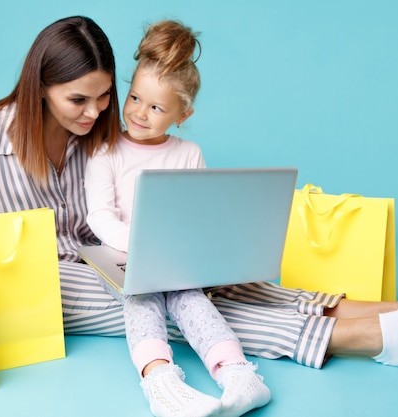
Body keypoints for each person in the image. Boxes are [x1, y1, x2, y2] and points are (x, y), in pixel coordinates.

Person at [0, 14, 398, 417]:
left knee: (217, 282)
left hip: (109, 251)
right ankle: (367, 338)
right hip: (45, 281)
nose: (97, 112)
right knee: (170, 298)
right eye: (79, 100)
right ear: (39, 87)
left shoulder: (97, 128)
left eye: (104, 97)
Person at [84, 20, 271, 417]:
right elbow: (99, 215)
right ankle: (160, 380)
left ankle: (238, 373)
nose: (139, 113)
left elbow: (196, 214)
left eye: (156, 108)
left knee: (191, 299)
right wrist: (138, 245)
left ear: (182, 115)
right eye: (134, 98)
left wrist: (192, 251)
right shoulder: (105, 150)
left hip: (173, 256)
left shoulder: (189, 153)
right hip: (124, 255)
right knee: (142, 299)